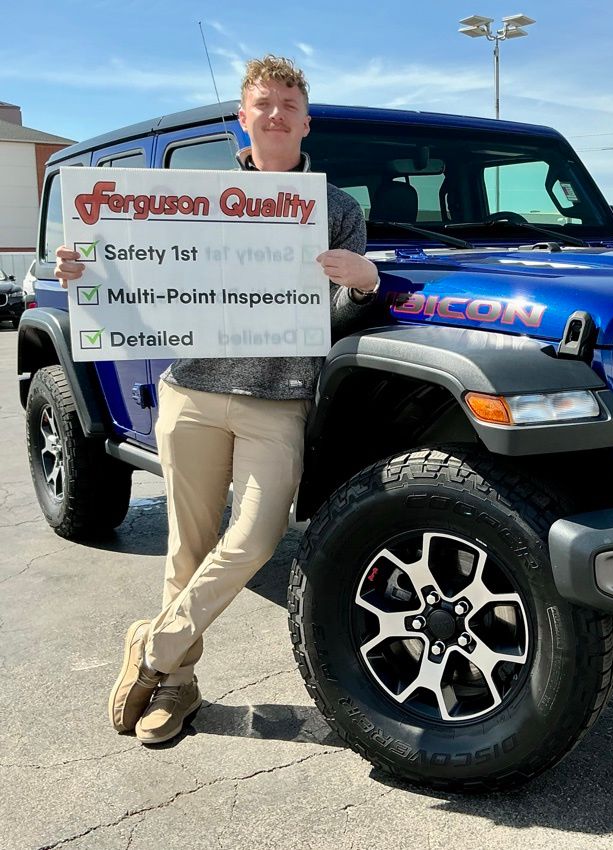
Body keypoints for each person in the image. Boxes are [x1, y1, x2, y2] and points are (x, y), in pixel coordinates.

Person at [55, 55, 380, 744]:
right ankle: (177, 686)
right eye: (264, 103)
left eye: (289, 103)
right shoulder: (191, 198)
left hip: (279, 399)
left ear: (305, 119)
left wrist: (364, 282)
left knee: (258, 537)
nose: (277, 113)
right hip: (193, 392)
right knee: (188, 546)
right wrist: (85, 271)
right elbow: (134, 278)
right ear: (244, 116)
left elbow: (338, 320)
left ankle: (152, 646)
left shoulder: (338, 210)